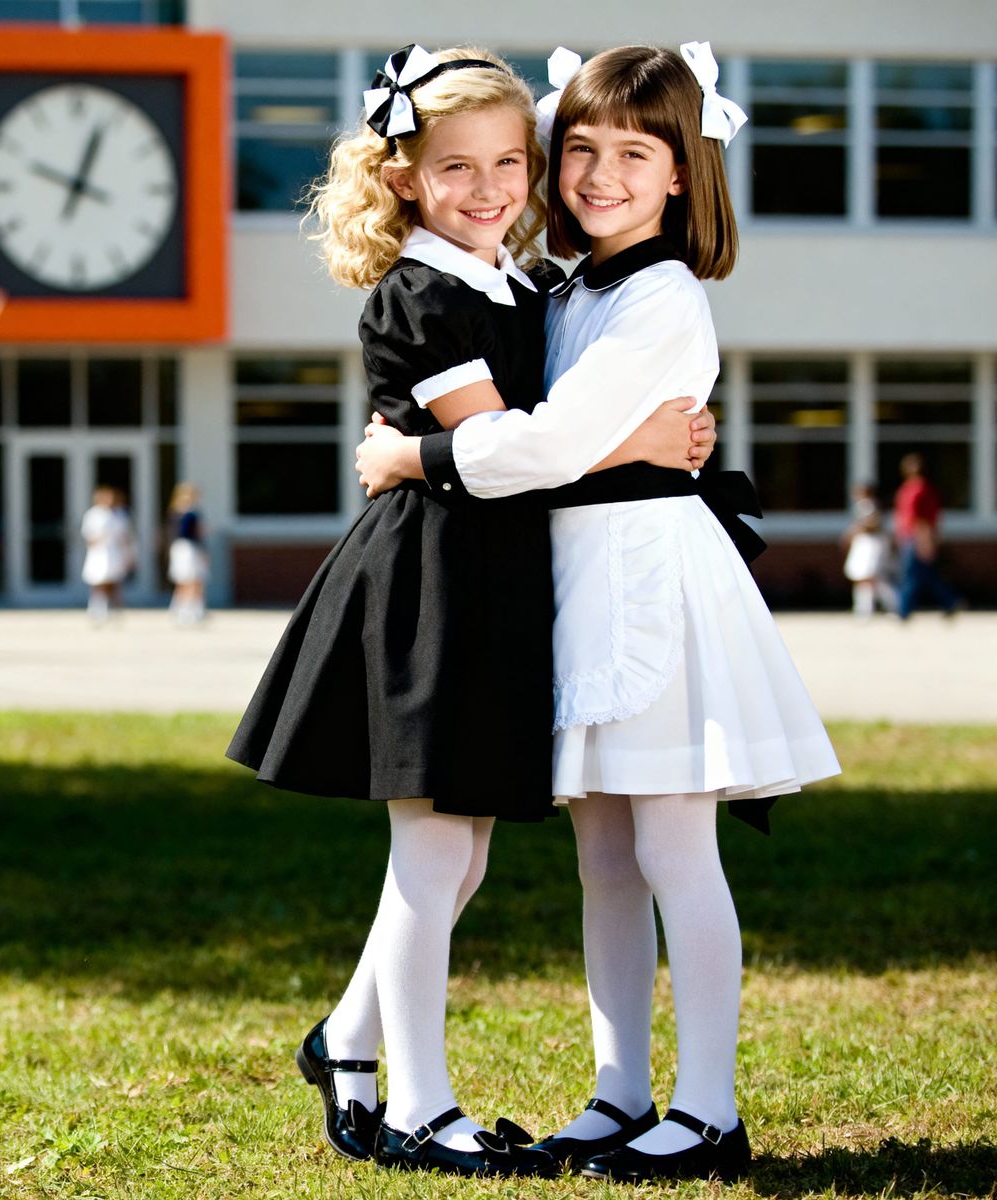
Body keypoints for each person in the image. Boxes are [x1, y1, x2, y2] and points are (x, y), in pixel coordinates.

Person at [226, 43, 714, 1179]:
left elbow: (538, 439)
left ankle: (347, 1043)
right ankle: (415, 1103)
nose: (490, 186)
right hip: (432, 582)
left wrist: (616, 436)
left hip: (495, 581)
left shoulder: (523, 283)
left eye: (511, 161)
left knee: (462, 859)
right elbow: (508, 450)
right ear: (404, 174)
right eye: (457, 166)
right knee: (433, 855)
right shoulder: (424, 293)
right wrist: (636, 442)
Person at [356, 43, 840, 1183]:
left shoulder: (665, 295)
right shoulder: (564, 290)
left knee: (675, 847)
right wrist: (624, 444)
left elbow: (546, 444)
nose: (600, 173)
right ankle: (621, 1091)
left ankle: (708, 1107)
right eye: (578, 147)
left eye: (634, 152)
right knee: (606, 858)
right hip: (580, 587)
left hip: (652, 591)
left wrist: (410, 453)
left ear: (682, 175)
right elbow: (556, 435)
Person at [893, 453, 961, 619]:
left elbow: (921, 518)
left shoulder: (919, 490)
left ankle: (903, 611)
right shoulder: (910, 488)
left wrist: (925, 540)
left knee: (910, 574)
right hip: (910, 536)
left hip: (916, 537)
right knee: (926, 575)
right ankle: (950, 601)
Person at [841, 481, 894, 618]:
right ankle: (863, 608)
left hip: (871, 544)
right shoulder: (862, 506)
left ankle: (894, 604)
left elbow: (874, 523)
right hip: (864, 544)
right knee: (862, 577)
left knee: (870, 577)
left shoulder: (870, 506)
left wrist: (858, 530)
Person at [80, 485, 133, 624]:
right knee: (99, 583)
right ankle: (97, 610)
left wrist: (128, 554)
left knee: (114, 583)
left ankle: (115, 611)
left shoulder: (119, 514)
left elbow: (125, 537)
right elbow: (88, 536)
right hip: (99, 553)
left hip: (115, 553)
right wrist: (101, 539)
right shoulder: (93, 514)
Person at [165, 482, 208, 624]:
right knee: (189, 579)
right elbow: (195, 534)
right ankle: (186, 610)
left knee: (189, 580)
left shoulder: (179, 512)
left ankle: (187, 609)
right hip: (187, 548)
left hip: (184, 548)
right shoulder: (186, 514)